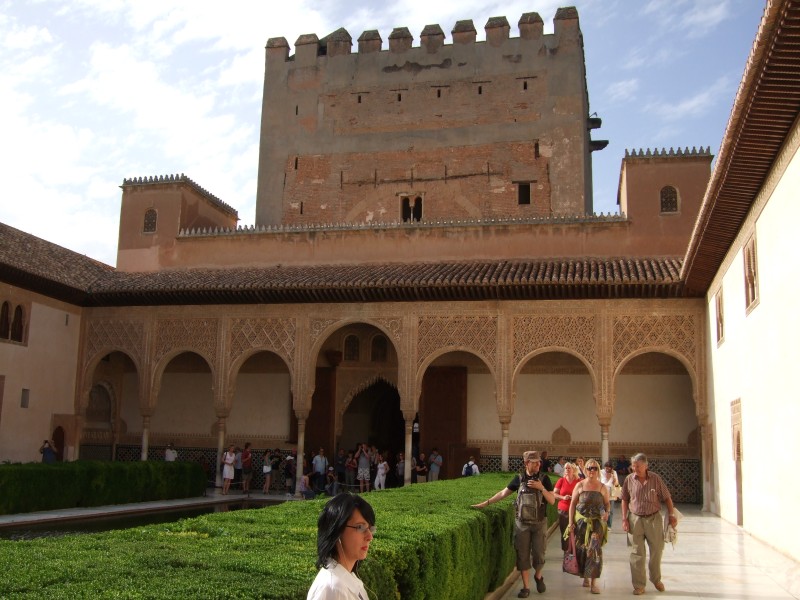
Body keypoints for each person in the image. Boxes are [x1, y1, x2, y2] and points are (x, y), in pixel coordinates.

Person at [473, 450, 555, 597]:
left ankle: (538, 576)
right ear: (526, 463)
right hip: (522, 524)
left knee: (539, 554)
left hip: (539, 523)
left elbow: (552, 500)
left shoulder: (544, 479)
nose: (538, 464)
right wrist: (486, 503)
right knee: (522, 555)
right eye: (535, 462)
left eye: (539, 462)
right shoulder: (519, 479)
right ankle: (526, 587)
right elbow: (503, 493)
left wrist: (541, 488)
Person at [620, 452, 677, 595]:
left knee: (657, 549)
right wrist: (624, 518)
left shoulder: (656, 479)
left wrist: (671, 515)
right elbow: (624, 499)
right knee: (636, 552)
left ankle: (656, 579)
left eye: (638, 466)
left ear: (646, 465)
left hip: (654, 519)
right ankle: (639, 585)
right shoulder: (629, 479)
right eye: (633, 466)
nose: (635, 469)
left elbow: (667, 497)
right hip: (635, 519)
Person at [307, 493, 375, 600]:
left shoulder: (346, 579)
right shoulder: (334, 588)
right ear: (337, 531)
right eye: (360, 527)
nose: (369, 537)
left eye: (370, 529)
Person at [567, 458, 610, 594]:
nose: (592, 471)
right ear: (585, 470)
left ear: (598, 470)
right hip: (581, 523)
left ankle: (593, 582)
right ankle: (585, 575)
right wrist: (570, 523)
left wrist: (607, 513)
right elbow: (573, 504)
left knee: (594, 550)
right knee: (583, 550)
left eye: (595, 468)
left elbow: (607, 503)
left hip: (596, 524)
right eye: (589, 468)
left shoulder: (602, 487)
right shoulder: (579, 485)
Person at [554, 461, 580, 551]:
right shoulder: (561, 480)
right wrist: (563, 497)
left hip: (576, 510)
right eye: (566, 468)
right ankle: (566, 551)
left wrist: (576, 497)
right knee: (565, 531)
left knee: (576, 530)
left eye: (569, 468)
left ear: (573, 470)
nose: (567, 470)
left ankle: (575, 550)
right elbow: (554, 494)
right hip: (563, 509)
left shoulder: (579, 481)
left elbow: (583, 494)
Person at [599, 461, 620, 528]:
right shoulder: (601, 472)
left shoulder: (614, 472)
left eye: (609, 467)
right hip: (602, 493)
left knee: (610, 510)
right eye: (606, 467)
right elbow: (601, 483)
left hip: (611, 494)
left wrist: (613, 479)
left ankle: (609, 525)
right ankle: (602, 524)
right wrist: (607, 478)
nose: (607, 469)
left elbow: (616, 484)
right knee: (602, 509)